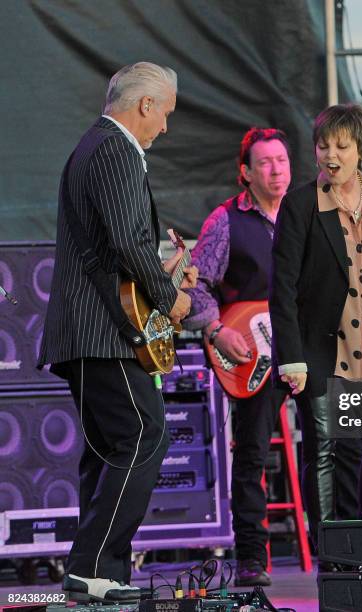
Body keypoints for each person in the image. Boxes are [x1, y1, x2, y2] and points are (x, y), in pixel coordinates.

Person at [38, 62, 195, 602]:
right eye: (166, 114)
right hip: (102, 333)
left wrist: (166, 270)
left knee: (107, 451)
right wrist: (171, 296)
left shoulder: (95, 147)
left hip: (89, 331)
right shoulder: (117, 148)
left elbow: (112, 247)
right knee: (144, 437)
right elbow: (128, 243)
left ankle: (102, 577)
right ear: (146, 104)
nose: (166, 128)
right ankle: (92, 566)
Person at [269, 103, 362, 558]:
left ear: (360, 149)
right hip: (319, 351)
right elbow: (281, 287)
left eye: (341, 146)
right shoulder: (302, 204)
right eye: (323, 145)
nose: (330, 154)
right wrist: (291, 356)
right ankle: (334, 556)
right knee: (322, 452)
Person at [186, 128, 291, 586]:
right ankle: (252, 559)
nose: (276, 170)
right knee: (251, 456)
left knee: (331, 448)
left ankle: (345, 550)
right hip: (252, 352)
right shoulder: (225, 221)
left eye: (282, 161)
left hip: (304, 348)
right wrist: (217, 329)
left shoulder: (307, 214)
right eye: (265, 162)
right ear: (245, 173)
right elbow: (195, 287)